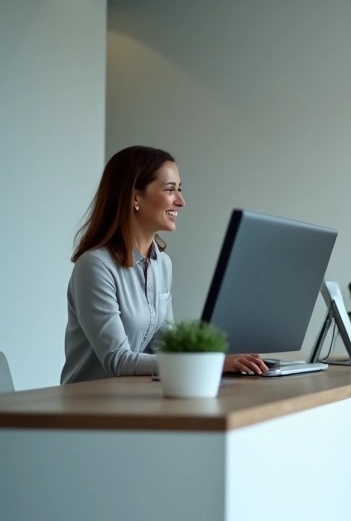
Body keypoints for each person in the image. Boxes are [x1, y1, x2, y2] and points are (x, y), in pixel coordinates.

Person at [62, 146, 267, 384]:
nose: (180, 201)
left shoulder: (162, 264)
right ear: (135, 196)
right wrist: (212, 363)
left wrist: (215, 361)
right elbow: (117, 360)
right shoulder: (95, 266)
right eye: (170, 190)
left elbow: (163, 346)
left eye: (179, 190)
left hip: (135, 398)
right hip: (88, 405)